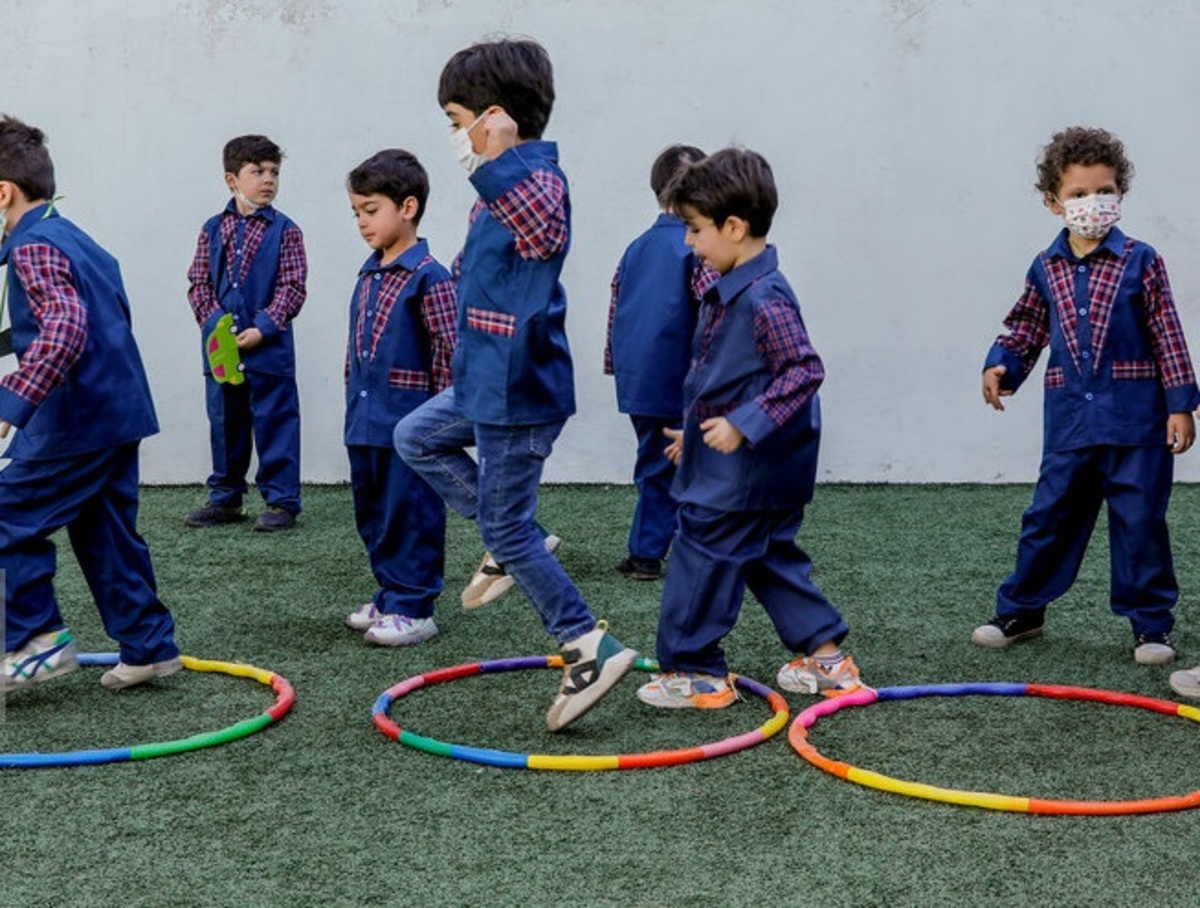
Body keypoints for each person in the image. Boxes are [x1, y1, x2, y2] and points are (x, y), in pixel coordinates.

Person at [394, 37, 637, 731]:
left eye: (455, 119)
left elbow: (542, 235)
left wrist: (496, 157)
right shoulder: (501, 182)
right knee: (415, 435)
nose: (454, 135)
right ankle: (513, 536)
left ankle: (588, 642)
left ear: (494, 116)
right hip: (483, 382)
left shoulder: (534, 179)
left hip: (516, 390)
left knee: (506, 523)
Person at [635, 148, 865, 710]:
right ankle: (829, 661)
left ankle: (697, 672)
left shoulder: (763, 297)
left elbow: (804, 370)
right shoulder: (733, 284)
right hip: (755, 469)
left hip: (743, 476)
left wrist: (742, 426)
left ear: (734, 228)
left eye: (693, 229)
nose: (688, 242)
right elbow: (732, 377)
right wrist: (698, 434)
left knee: (700, 555)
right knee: (768, 559)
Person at [974, 126, 1198, 665]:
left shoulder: (1141, 260)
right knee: (1048, 516)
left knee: (1140, 521)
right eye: (1078, 194)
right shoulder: (1046, 267)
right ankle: (1023, 609)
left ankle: (1150, 627)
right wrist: (1001, 363)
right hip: (1072, 421)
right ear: (1054, 202)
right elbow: (1026, 324)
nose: (1091, 204)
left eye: (1104, 191)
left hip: (1138, 426)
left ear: (1119, 194)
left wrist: (1180, 405)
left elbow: (1167, 331)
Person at [0, 115, 181, 692]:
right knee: (104, 528)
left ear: (3, 192)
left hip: (73, 421)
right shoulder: (75, 238)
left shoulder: (30, 247)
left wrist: (12, 404)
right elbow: (97, 314)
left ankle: (33, 640)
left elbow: (64, 328)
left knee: (5, 517)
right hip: (116, 412)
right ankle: (149, 646)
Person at [342, 149, 457, 646]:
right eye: (357, 213)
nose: (363, 222)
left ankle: (416, 606)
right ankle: (391, 594)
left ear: (407, 208)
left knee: (411, 511)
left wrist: (440, 424)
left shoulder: (430, 276)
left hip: (410, 425)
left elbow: (451, 355)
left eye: (371, 210)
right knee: (374, 512)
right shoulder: (368, 273)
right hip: (365, 420)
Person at [184, 134, 307, 532]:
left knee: (275, 420)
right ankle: (226, 497)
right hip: (221, 351)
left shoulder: (287, 231)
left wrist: (263, 328)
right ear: (231, 179)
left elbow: (292, 288)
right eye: (258, 172)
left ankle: (282, 500)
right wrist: (215, 324)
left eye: (274, 172)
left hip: (267, 351)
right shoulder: (212, 229)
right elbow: (199, 283)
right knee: (225, 421)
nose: (268, 179)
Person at [604, 143, 713, 582]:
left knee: (654, 460)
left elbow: (617, 307)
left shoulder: (636, 247)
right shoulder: (696, 250)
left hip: (639, 379)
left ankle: (645, 552)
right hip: (681, 377)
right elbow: (713, 310)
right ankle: (658, 551)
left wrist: (618, 367)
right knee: (688, 464)